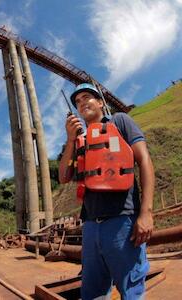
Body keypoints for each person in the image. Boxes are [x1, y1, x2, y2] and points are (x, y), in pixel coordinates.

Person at [58, 83, 155, 299]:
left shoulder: (120, 121)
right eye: (77, 102)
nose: (82, 103)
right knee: (92, 293)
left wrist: (146, 212)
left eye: (86, 97)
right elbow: (63, 177)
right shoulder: (78, 140)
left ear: (101, 102)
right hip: (91, 226)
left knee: (131, 290)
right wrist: (71, 140)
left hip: (123, 222)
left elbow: (145, 161)